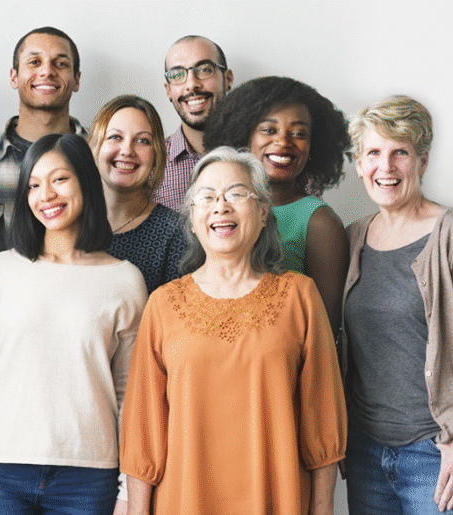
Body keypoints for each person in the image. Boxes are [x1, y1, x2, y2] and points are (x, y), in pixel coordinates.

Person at [121, 147, 345, 515]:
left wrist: (323, 511)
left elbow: (323, 422)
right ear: (192, 219)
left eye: (236, 194)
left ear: (262, 214)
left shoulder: (299, 297)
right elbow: (143, 430)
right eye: (206, 197)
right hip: (183, 501)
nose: (220, 206)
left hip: (278, 499)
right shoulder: (163, 305)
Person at [0, 133, 146, 514]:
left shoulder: (125, 280)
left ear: (85, 183)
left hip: (89, 475)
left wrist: (128, 485)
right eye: (34, 185)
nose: (46, 195)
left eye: (59, 179)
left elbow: (130, 392)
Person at [341, 96, 453, 514]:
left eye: (399, 152)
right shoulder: (353, 238)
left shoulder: (447, 234)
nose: (385, 167)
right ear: (358, 164)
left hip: (436, 455)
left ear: (422, 162)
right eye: (374, 152)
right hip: (366, 452)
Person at [204, 76, 350, 340]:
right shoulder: (218, 210)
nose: (283, 142)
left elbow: (325, 332)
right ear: (244, 135)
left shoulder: (319, 222)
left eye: (299, 133)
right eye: (269, 130)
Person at [0, 26, 87, 250]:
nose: (47, 72)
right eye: (34, 62)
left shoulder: (102, 155)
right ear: (14, 76)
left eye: (60, 63)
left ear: (76, 79)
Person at [88, 95, 185, 294]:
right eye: (115, 137)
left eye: (142, 141)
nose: (127, 150)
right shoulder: (68, 222)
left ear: (157, 155)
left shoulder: (177, 234)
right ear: (95, 146)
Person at [155, 35, 233, 210]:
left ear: (227, 79)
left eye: (204, 69)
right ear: (168, 90)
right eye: (177, 74)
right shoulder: (151, 165)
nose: (191, 84)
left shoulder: (260, 155)